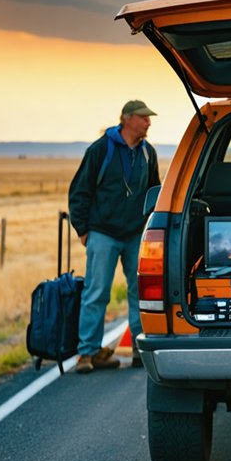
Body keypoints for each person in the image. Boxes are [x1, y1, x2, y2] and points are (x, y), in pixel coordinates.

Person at [68, 100, 161, 374]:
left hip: (135, 236)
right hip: (102, 233)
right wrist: (83, 230)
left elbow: (153, 193)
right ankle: (87, 353)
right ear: (127, 119)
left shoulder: (148, 153)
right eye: (144, 118)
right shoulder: (100, 150)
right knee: (96, 292)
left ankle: (138, 351)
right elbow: (80, 191)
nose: (148, 123)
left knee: (140, 293)